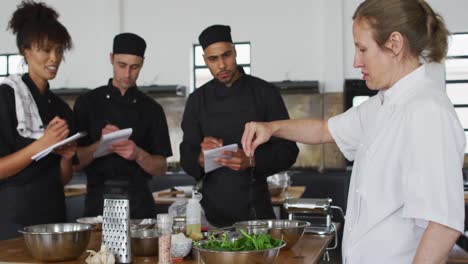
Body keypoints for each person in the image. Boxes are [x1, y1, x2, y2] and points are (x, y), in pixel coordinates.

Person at [242, 1, 465, 263]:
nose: (356, 61)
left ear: (394, 43)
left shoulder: (428, 112)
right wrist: (272, 127)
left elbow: (443, 225)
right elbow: (325, 129)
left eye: (362, 49)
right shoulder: (383, 105)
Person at [180, 25, 299, 227]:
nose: (222, 65)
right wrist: (200, 157)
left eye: (226, 55)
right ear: (204, 60)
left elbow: (289, 151)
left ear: (235, 52)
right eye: (213, 59)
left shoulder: (265, 93)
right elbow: (186, 157)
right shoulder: (197, 100)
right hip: (210, 215)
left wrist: (251, 160)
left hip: (256, 211)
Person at [73, 33, 172, 219]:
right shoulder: (87, 103)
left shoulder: (152, 109)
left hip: (139, 204)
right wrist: (100, 145)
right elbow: (74, 163)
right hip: (97, 204)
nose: (127, 74)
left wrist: (138, 154)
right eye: (122, 65)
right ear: (111, 59)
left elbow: (161, 168)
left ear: (142, 63)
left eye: (134, 67)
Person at [0, 1, 75, 240]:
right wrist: (42, 143)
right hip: (14, 216)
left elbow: (62, 178)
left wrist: (65, 159)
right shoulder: (6, 96)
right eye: (46, 49)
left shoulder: (60, 107)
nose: (54, 58)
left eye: (60, 50)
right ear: (26, 50)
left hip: (54, 214)